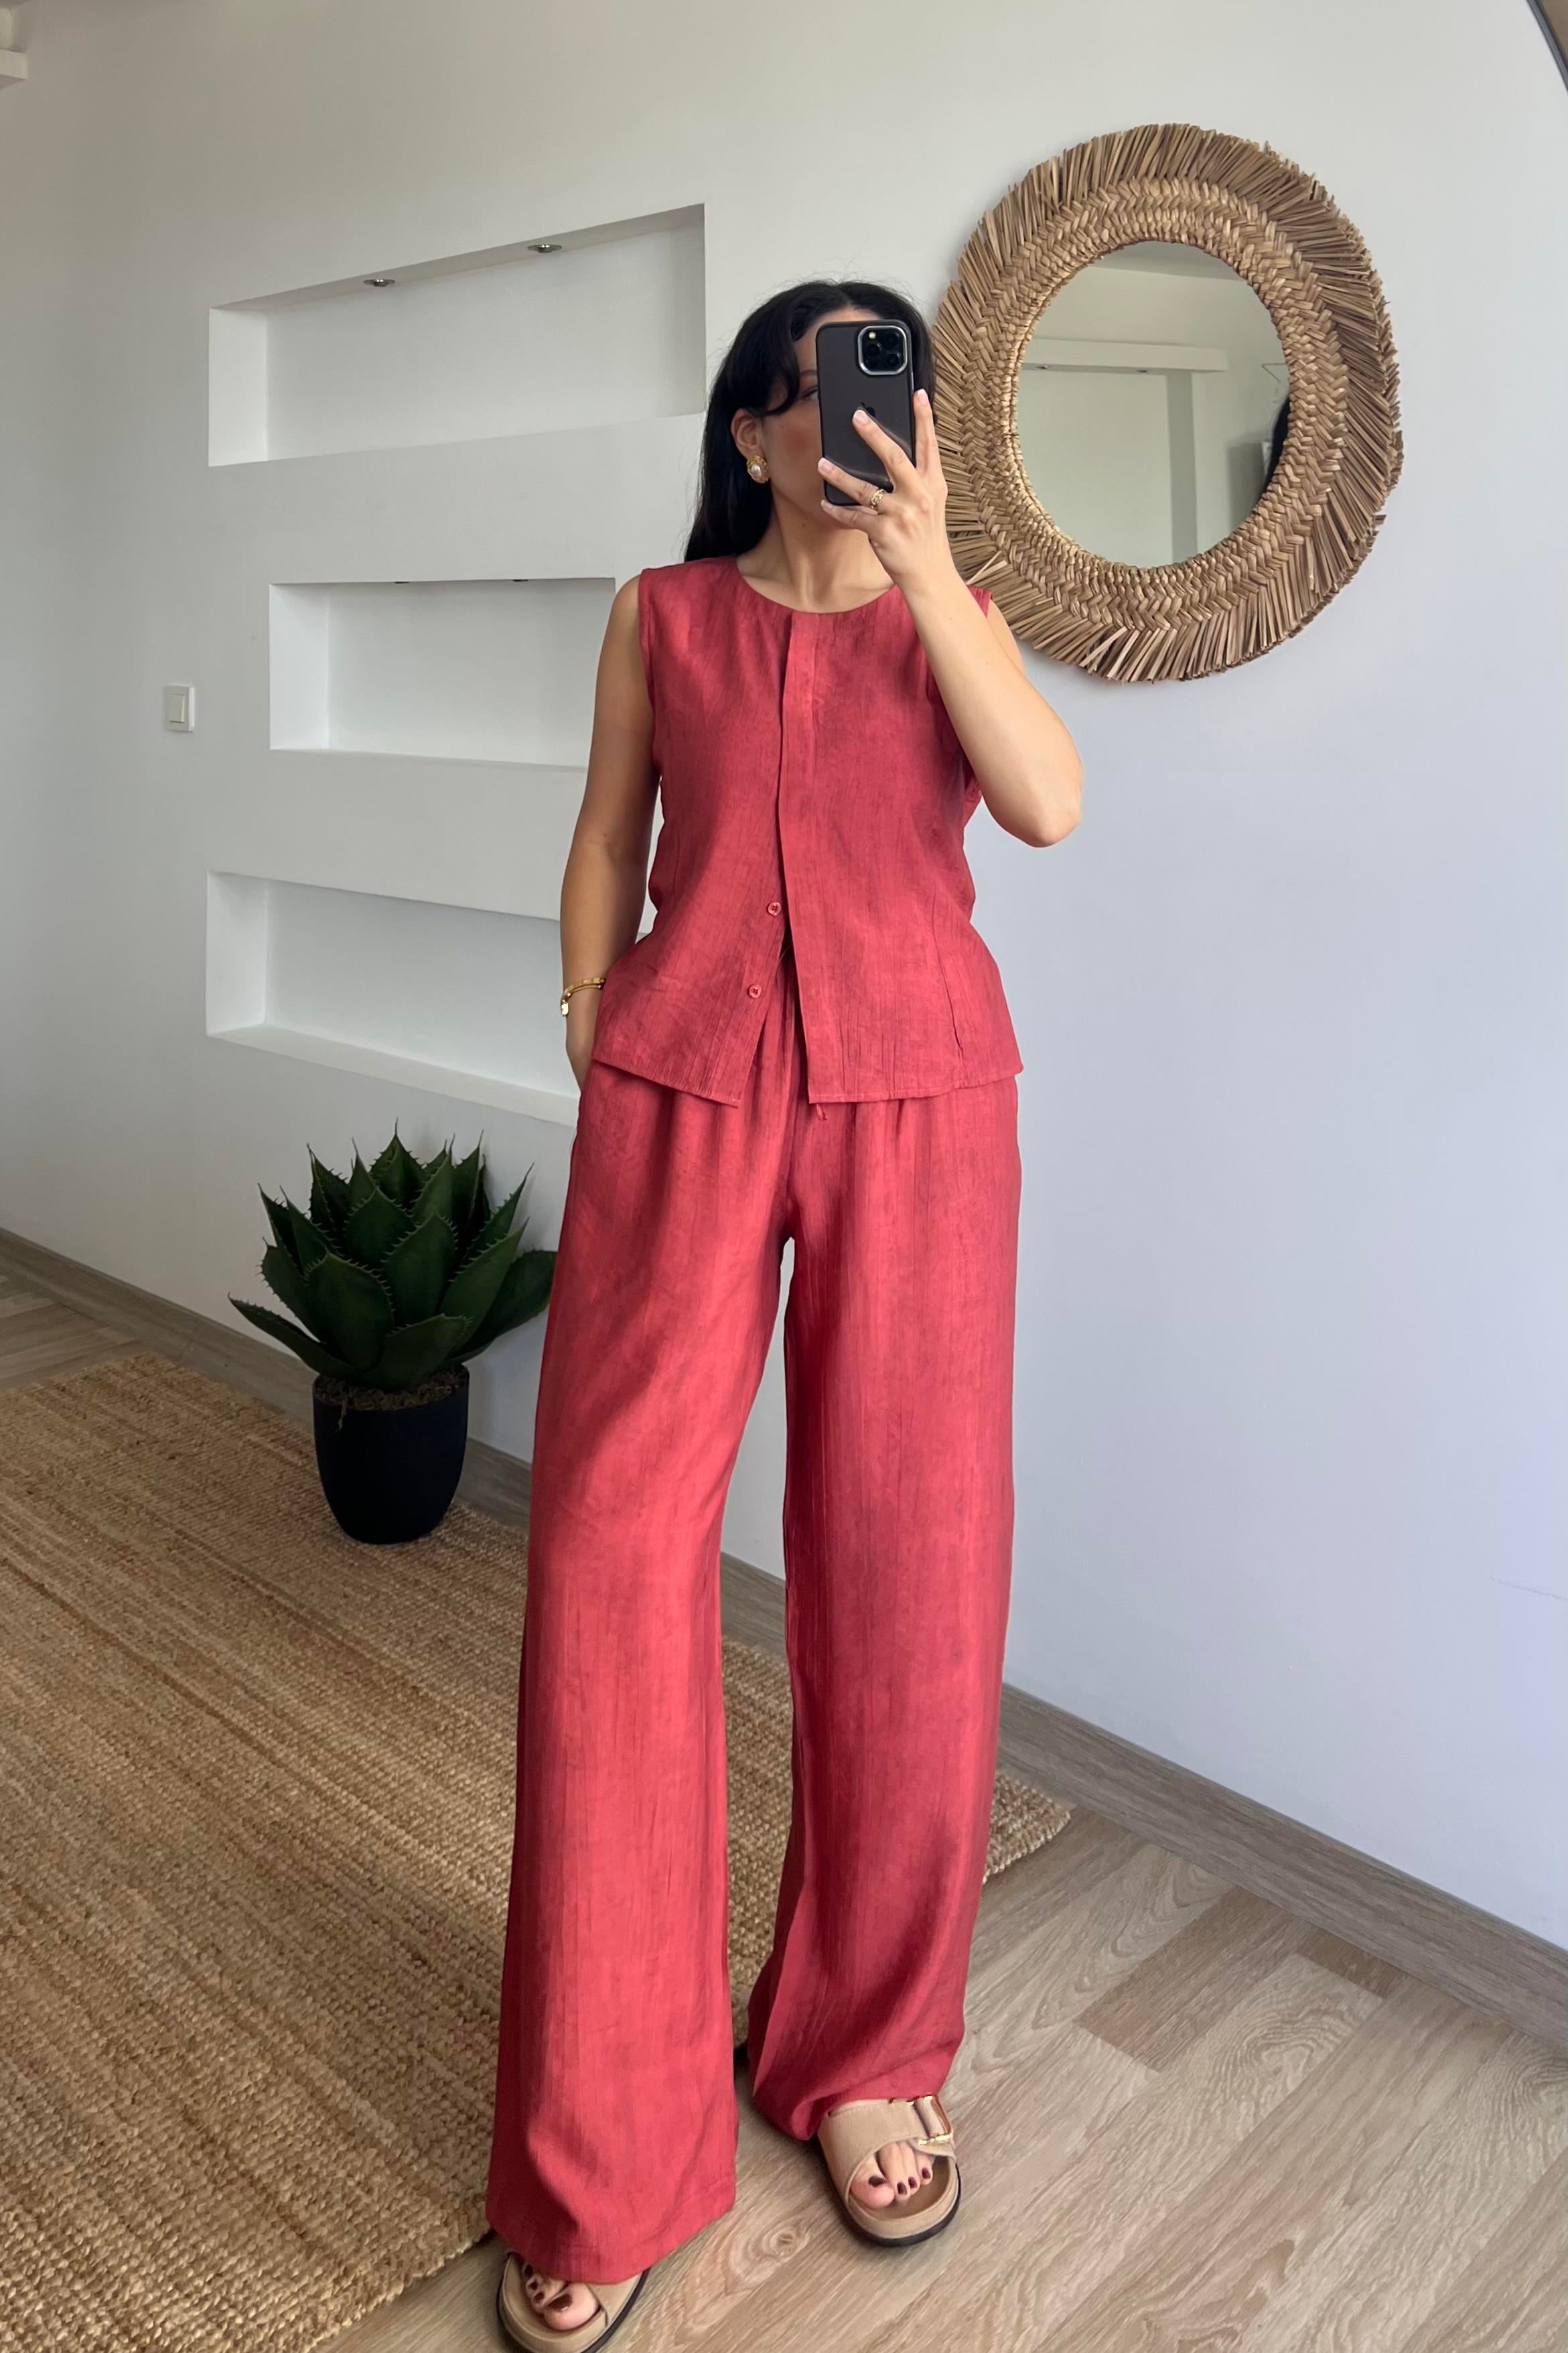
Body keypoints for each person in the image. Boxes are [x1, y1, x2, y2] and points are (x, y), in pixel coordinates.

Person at [486, 279, 1082, 2350]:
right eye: (810, 389)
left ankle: (865, 2053)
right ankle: (606, 2141)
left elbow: (1047, 804)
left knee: (911, 1571)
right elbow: (607, 832)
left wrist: (929, 575)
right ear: (750, 429)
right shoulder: (661, 614)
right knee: (607, 1565)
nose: (849, 420)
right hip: (686, 1086)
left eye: (882, 386)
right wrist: (592, 1013)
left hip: (926, 1101)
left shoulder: (953, 608)